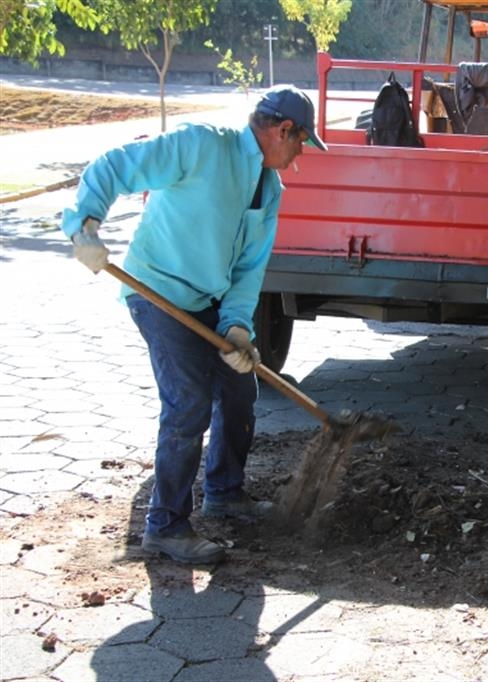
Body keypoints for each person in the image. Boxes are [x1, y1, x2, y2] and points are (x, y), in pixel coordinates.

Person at [61, 84, 327, 565]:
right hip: (158, 293)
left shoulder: (269, 189)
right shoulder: (202, 144)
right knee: (188, 403)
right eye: (300, 141)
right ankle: (165, 525)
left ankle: (224, 492)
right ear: (281, 130)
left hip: (209, 300)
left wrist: (238, 328)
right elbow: (114, 166)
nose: (300, 154)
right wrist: (85, 225)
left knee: (240, 389)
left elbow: (249, 269)